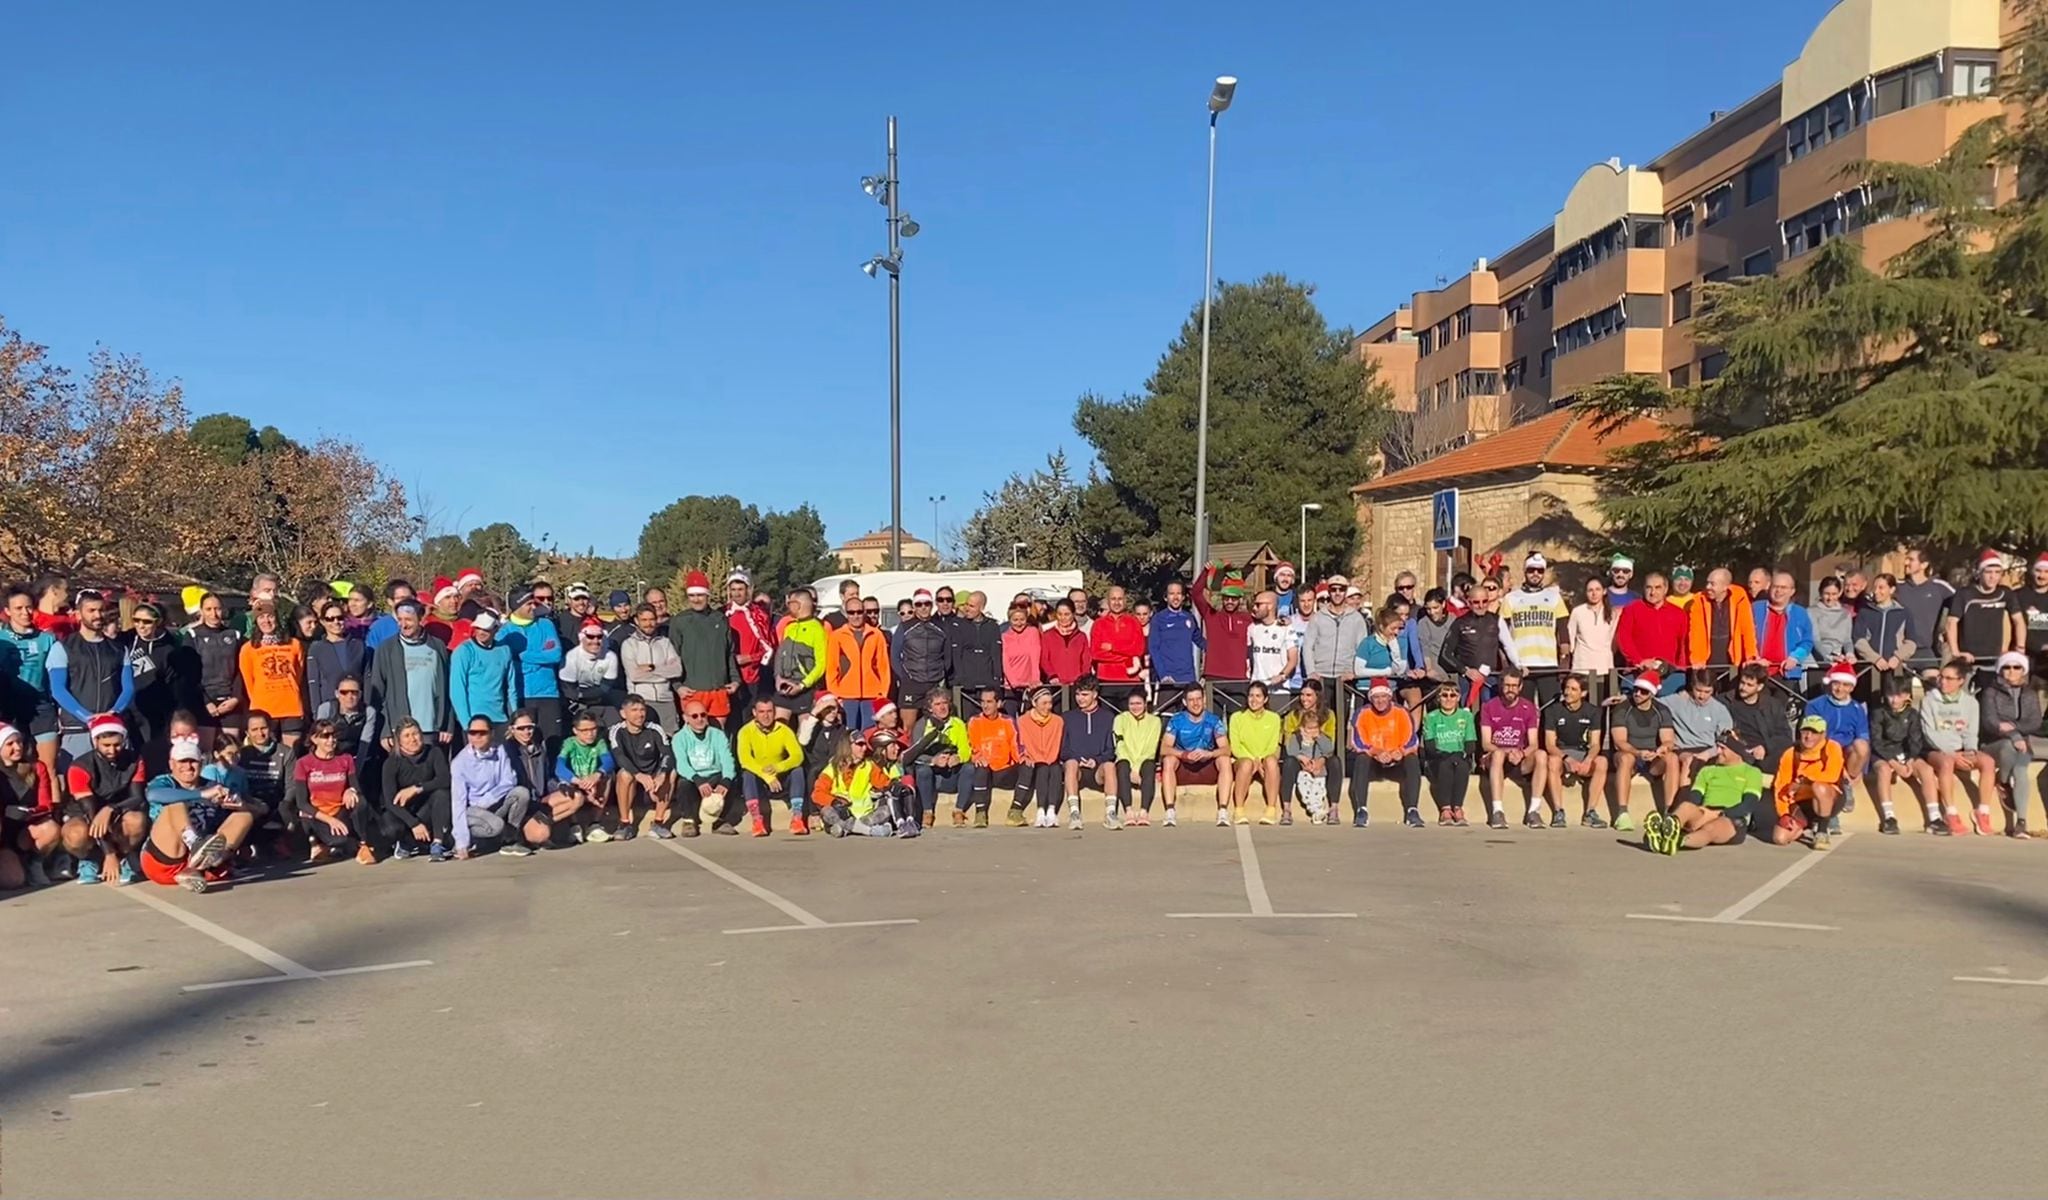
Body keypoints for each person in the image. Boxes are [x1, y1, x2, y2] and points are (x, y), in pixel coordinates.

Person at [139, 736, 257, 892]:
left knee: (244, 815)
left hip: (203, 868)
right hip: (165, 859)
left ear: (201, 763)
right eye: (182, 761)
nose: (188, 766)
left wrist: (239, 804)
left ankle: (207, 862)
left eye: (193, 761)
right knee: (175, 805)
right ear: (171, 764)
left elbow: (260, 807)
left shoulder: (214, 786)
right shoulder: (163, 783)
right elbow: (153, 796)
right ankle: (194, 844)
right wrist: (202, 795)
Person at [55, 715, 148, 884]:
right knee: (76, 834)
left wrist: (111, 808)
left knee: (137, 820)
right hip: (85, 814)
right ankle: (88, 858)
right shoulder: (79, 767)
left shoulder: (135, 760)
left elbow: (137, 797)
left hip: (118, 810)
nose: (112, 750)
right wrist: (108, 853)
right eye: (106, 745)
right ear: (95, 741)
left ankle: (125, 855)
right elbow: (92, 814)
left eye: (117, 745)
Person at [48, 590, 136, 765]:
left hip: (112, 731)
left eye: (101, 610)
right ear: (79, 614)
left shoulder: (119, 649)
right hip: (78, 729)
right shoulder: (62, 648)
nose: (97, 615)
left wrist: (113, 713)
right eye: (91, 610)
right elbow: (58, 690)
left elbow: (129, 688)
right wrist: (86, 716)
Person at [1640, 748, 1769, 855]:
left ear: (1736, 751)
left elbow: (1749, 804)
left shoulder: (1752, 772)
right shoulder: (1707, 770)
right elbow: (1694, 798)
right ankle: (1664, 831)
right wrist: (1701, 813)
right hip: (1706, 811)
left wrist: (1719, 813)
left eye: (1723, 748)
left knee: (1710, 828)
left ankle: (1677, 841)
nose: (1718, 751)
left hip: (1731, 818)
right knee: (1686, 807)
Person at [450, 717, 544, 859]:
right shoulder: (459, 763)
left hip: (495, 802)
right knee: (496, 825)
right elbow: (458, 803)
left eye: (482, 732)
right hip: (473, 810)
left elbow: (509, 780)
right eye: (472, 732)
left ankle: (510, 839)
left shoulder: (500, 750)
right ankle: (471, 839)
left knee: (522, 793)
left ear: (492, 733)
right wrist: (461, 842)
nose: (477, 737)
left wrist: (489, 799)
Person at [120, 601, 198, 771]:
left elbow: (176, 686)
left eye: (146, 621)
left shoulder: (169, 648)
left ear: (159, 621)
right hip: (128, 709)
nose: (141, 625)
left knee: (152, 756)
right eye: (136, 620)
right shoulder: (125, 640)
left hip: (157, 714)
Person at [367, 601, 453, 753]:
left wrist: (447, 724)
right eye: (399, 619)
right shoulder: (386, 649)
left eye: (408, 620)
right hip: (400, 729)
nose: (403, 624)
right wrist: (386, 729)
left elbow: (448, 689)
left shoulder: (437, 647)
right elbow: (378, 692)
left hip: (430, 727)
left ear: (421, 619)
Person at [289, 718, 375, 864]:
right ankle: (318, 843)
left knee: (360, 802)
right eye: (325, 736)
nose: (331, 740)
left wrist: (351, 790)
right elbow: (302, 803)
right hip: (317, 814)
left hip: (340, 810)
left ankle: (362, 845)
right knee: (338, 840)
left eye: (333, 735)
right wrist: (330, 820)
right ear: (314, 739)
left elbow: (356, 787)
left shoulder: (346, 759)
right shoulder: (303, 763)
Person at [0, 587, 62, 790]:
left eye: (29, 607)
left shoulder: (47, 639)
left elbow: (57, 676)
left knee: (48, 766)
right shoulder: (1, 639)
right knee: (11, 766)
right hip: (8, 708)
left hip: (41, 707)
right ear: (7, 611)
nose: (25, 612)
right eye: (18, 608)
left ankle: (53, 815)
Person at [1978, 651, 2042, 837]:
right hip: (1994, 744)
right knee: (2007, 746)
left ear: (2023, 670)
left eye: (2016, 667)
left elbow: (2035, 722)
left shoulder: (2029, 694)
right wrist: (2014, 735)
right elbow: (1990, 722)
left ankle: (2021, 822)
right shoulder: (1990, 693)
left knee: (2021, 770)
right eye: (2007, 667)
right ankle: (2003, 781)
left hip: (2022, 744)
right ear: (2000, 670)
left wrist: (2012, 728)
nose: (2011, 671)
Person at [812, 729, 916, 838]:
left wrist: (895, 785)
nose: (864, 748)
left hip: (865, 816)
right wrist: (834, 801)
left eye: (865, 744)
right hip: (841, 813)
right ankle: (866, 831)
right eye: (860, 745)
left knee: (886, 810)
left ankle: (847, 828)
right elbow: (817, 793)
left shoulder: (869, 765)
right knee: (827, 811)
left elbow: (883, 782)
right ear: (848, 746)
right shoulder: (832, 768)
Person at [498, 586, 565, 749]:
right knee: (526, 745)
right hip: (523, 694)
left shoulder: (546, 625)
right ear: (517, 606)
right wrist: (539, 658)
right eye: (528, 604)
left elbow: (555, 655)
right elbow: (505, 664)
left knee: (553, 743)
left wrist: (521, 656)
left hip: (548, 693)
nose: (534, 607)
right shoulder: (505, 632)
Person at [670, 571, 739, 727]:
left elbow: (729, 653)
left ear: (707, 595)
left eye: (700, 595)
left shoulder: (720, 620)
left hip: (718, 689)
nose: (696, 599)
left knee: (718, 735)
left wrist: (735, 680)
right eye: (692, 595)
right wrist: (677, 686)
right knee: (695, 738)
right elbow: (672, 657)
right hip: (692, 690)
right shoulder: (680, 621)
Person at [1661, 668, 1737, 810]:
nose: (1702, 696)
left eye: (1707, 692)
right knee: (1690, 760)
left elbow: (1725, 740)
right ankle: (1675, 809)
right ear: (1692, 687)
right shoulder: (1678, 700)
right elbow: (1652, 702)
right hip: (1684, 748)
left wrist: (1707, 754)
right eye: (1698, 691)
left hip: (1710, 750)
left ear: (1713, 690)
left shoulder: (1719, 709)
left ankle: (1690, 808)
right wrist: (1624, 699)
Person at [1920, 659, 1980, 836]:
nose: (1942, 681)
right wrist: (1952, 754)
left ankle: (1983, 811)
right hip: (1936, 750)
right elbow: (1929, 732)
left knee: (1988, 763)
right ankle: (1950, 812)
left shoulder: (1970, 703)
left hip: (1960, 749)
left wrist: (1970, 751)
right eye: (1941, 677)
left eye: (1948, 678)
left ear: (1961, 681)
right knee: (1946, 763)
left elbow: (1971, 731)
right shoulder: (1929, 700)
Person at [1349, 679, 1421, 828]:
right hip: (1374, 759)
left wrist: (1400, 752)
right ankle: (1361, 809)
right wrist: (1376, 753)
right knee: (1361, 759)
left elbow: (1412, 740)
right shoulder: (1362, 713)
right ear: (1371, 698)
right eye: (1376, 697)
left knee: (1412, 760)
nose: (1380, 701)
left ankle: (1412, 810)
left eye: (1383, 697)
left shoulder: (1401, 712)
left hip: (1396, 758)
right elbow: (1357, 742)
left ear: (1389, 697)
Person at [1499, 554, 1569, 705]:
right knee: (1523, 709)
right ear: (1525, 571)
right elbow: (1502, 632)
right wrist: (1506, 661)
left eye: (1540, 570)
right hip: (1521, 663)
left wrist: (1564, 659)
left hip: (1548, 663)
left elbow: (1563, 631)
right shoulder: (1511, 598)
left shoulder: (1554, 597)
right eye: (1531, 570)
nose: (1535, 574)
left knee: (1551, 708)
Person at [378, 717, 452, 860]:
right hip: (404, 814)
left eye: (415, 733)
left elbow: (445, 780)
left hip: (428, 809)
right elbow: (389, 801)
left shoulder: (434, 752)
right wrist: (414, 823)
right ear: (399, 741)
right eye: (407, 736)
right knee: (390, 829)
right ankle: (407, 843)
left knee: (442, 794)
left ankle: (437, 843)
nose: (413, 739)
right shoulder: (391, 762)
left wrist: (417, 788)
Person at [1611, 671, 1677, 823]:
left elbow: (1668, 741)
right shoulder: (1622, 709)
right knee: (1626, 758)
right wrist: (1638, 753)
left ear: (1652, 694)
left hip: (1652, 758)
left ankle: (1670, 813)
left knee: (1672, 758)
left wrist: (1662, 749)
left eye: (1644, 691)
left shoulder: (1661, 711)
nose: (1638, 694)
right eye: (1636, 690)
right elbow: (1619, 742)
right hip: (1630, 755)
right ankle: (1622, 813)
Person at [1159, 684, 1229, 828]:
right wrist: (1183, 754)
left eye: (1198, 699)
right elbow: (1164, 748)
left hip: (1206, 764)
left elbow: (1227, 749)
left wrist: (1210, 754)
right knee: (1168, 760)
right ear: (1185, 702)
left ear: (1204, 699)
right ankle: (1170, 810)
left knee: (1225, 760)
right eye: (1191, 700)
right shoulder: (1176, 720)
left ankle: (1223, 810)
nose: (1196, 703)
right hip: (1184, 765)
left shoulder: (1214, 720)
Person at [1866, 681, 1931, 836]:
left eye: (1899, 695)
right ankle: (1889, 817)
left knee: (1926, 770)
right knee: (1884, 770)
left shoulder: (1912, 714)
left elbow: (1915, 740)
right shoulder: (1879, 713)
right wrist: (1894, 763)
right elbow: (1876, 742)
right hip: (1883, 755)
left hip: (1905, 754)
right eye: (1891, 695)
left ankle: (1935, 817)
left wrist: (1910, 760)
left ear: (1907, 696)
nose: (1894, 700)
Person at [236, 604, 306, 747]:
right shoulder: (248, 649)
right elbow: (249, 681)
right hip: (263, 709)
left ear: (277, 619)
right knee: (266, 754)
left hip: (291, 707)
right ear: (256, 622)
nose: (266, 621)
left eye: (270, 616)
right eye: (261, 617)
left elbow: (298, 674)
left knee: (291, 754)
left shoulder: (294, 644)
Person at [1772, 715, 1845, 850]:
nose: (1808, 736)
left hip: (1830, 797)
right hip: (1801, 803)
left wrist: (1804, 780)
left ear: (1823, 734)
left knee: (1819, 787)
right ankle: (1805, 825)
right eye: (1805, 731)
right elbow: (1780, 787)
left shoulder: (1832, 748)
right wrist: (1784, 814)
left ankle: (1822, 831)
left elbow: (1832, 776)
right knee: (1780, 838)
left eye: (1814, 732)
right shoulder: (1790, 754)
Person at [1544, 673, 1607, 827]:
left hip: (1583, 753)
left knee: (1602, 762)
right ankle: (1558, 812)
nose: (1567, 692)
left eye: (1573, 689)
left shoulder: (1593, 712)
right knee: (1552, 761)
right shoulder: (1553, 711)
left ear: (1583, 693)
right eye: (1566, 688)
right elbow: (1550, 745)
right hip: (1562, 754)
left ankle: (1590, 812)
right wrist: (1567, 759)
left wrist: (1588, 759)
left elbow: (1595, 744)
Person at [607, 695, 674, 841]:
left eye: (642, 710)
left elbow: (667, 754)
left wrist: (661, 774)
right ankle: (624, 824)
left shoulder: (655, 729)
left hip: (653, 776)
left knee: (671, 772)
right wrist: (638, 775)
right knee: (624, 774)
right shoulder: (616, 731)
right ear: (624, 714)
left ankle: (658, 823)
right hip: (633, 775)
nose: (640, 714)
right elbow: (619, 757)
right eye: (634, 710)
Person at [1439, 577, 1513, 707]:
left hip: (1491, 677)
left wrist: (1518, 666)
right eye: (1476, 602)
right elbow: (1445, 655)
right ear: (1469, 602)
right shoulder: (1459, 623)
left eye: (1485, 601)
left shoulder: (1496, 620)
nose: (1481, 606)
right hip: (1467, 679)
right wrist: (1465, 670)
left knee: (1489, 714)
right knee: (1467, 715)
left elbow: (1509, 647)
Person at [737, 696, 805, 836]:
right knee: (747, 774)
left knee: (798, 771)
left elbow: (798, 756)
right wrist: (767, 777)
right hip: (760, 779)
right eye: (761, 712)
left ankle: (797, 818)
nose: (766, 716)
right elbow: (745, 760)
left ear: (774, 713)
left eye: (769, 711)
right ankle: (757, 821)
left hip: (780, 779)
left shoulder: (784, 730)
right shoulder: (745, 731)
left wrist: (778, 767)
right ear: (755, 713)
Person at [1056, 678, 1118, 829]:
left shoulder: (1108, 717)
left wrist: (1096, 761)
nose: (1080, 698)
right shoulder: (1067, 718)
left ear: (1095, 694)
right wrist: (1077, 759)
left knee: (1109, 766)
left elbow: (1111, 750)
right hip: (1076, 769)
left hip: (1097, 769)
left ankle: (1111, 814)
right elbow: (1063, 750)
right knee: (1070, 763)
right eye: (1077, 694)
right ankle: (1074, 813)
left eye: (1084, 694)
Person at [904, 688, 969, 830]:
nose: (942, 707)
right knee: (923, 770)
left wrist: (958, 758)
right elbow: (913, 756)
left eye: (945, 703)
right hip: (931, 778)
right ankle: (927, 812)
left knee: (969, 768)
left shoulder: (958, 724)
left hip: (951, 774)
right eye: (937, 704)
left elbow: (966, 750)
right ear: (930, 708)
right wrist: (933, 760)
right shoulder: (921, 725)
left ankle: (959, 810)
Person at [671, 698, 738, 835]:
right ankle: (689, 821)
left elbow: (727, 759)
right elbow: (682, 764)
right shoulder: (679, 738)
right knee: (683, 784)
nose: (699, 719)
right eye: (694, 716)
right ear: (685, 718)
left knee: (731, 780)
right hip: (694, 777)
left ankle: (719, 820)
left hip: (714, 775)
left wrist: (726, 780)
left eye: (703, 715)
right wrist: (697, 780)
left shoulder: (718, 735)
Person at [1614, 572, 1688, 696]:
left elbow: (1683, 644)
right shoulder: (1631, 610)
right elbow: (1624, 639)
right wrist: (1639, 661)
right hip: (1638, 672)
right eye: (1649, 587)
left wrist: (1680, 670)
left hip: (1669, 676)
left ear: (1665, 589)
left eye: (1657, 587)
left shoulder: (1678, 614)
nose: (1653, 592)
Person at [824, 598, 891, 731]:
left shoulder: (876, 635)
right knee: (848, 732)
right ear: (846, 613)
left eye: (859, 612)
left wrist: (882, 694)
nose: (856, 616)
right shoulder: (837, 636)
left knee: (869, 732)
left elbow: (883, 667)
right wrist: (836, 696)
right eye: (851, 612)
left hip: (872, 694)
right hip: (846, 695)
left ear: (864, 612)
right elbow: (832, 668)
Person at [1419, 681, 1478, 827]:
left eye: (1453, 695)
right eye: (1444, 695)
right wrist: (1444, 755)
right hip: (1438, 758)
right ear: (1439, 698)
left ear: (1458, 698)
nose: (1448, 698)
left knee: (1462, 766)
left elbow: (1470, 744)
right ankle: (1445, 809)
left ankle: (1457, 807)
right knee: (1446, 765)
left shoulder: (1466, 717)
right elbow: (1430, 746)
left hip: (1459, 755)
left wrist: (1460, 754)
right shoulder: (1431, 717)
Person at [1222, 681, 1282, 826]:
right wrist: (1252, 760)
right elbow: (1235, 747)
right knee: (1246, 764)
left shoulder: (1274, 718)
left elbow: (1273, 745)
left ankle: (1271, 809)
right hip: (1243, 759)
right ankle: (1239, 809)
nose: (1254, 700)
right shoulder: (1237, 717)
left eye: (1258, 696)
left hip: (1263, 760)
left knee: (1272, 762)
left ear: (1265, 699)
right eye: (1251, 696)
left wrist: (1260, 760)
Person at [1945, 550, 2013, 676]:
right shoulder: (1964, 594)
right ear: (1979, 573)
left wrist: (2012, 649)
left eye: (1997, 572)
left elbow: (2018, 620)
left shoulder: (2005, 593)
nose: (1993, 577)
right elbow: (1951, 623)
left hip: (1994, 659)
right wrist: (1956, 653)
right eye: (1988, 572)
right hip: (1967, 659)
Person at [1279, 681, 1338, 825]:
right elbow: (1289, 743)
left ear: (1317, 696)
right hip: (1300, 756)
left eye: (1309, 695)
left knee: (1335, 762)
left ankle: (1334, 809)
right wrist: (1302, 759)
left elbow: (1330, 744)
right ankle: (1286, 810)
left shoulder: (1329, 715)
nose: (1304, 699)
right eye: (1302, 695)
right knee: (1288, 763)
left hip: (1320, 756)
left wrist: (1320, 761)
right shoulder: (1293, 715)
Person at [723, 570, 776, 728]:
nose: (737, 594)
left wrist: (750, 658)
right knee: (730, 722)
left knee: (750, 721)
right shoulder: (721, 614)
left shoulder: (759, 615)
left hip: (752, 677)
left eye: (740, 589)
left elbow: (769, 647)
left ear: (748, 590)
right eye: (733, 590)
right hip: (728, 677)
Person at [891, 589, 949, 733]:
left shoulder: (940, 627)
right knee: (908, 728)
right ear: (914, 606)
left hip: (933, 682)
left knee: (936, 725)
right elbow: (894, 656)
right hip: (911, 683)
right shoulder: (905, 627)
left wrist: (941, 674)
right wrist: (905, 677)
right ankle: (908, 754)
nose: (923, 607)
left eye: (927, 604)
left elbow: (948, 656)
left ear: (932, 605)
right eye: (919, 604)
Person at [960, 687, 1020, 828]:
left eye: (989, 702)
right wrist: (976, 758)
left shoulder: (1008, 721)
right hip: (984, 771)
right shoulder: (974, 721)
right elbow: (970, 746)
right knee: (981, 767)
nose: (985, 706)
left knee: (1026, 765)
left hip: (1004, 770)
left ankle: (1016, 811)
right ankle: (980, 813)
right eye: (982, 702)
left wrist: (1022, 760)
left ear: (999, 704)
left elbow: (1016, 747)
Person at [448, 611, 516, 733]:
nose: (481, 632)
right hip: (475, 721)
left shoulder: (505, 651)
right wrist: (466, 724)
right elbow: (457, 690)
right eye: (478, 628)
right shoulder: (464, 651)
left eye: (486, 629)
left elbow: (511, 688)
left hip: (500, 719)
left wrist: (514, 719)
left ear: (496, 629)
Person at [619, 603, 684, 732]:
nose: (649, 624)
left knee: (669, 739)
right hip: (642, 701)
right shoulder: (629, 645)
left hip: (666, 700)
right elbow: (634, 675)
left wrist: (652, 669)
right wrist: (665, 673)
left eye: (652, 619)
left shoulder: (665, 643)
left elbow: (677, 670)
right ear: (637, 621)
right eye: (644, 620)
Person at [1853, 573, 1921, 694]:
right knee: (1873, 702)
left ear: (1892, 589)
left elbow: (1911, 642)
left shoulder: (1904, 613)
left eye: (1881, 587)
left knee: (1893, 698)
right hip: (1870, 667)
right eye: (1874, 587)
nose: (1876, 591)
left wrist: (1897, 657)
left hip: (1895, 667)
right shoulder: (1865, 611)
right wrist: (1875, 659)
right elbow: (1859, 639)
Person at [1194, 564, 1254, 696]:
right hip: (1213, 676)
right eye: (1226, 598)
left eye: (1234, 599)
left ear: (1240, 599)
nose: (1230, 602)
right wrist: (1206, 571)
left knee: (1237, 717)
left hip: (1239, 678)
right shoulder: (1212, 615)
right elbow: (1196, 593)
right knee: (1214, 717)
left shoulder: (1248, 619)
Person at [1686, 569, 1758, 678]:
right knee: (1706, 692)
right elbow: (1696, 633)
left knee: (1730, 692)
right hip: (1706, 662)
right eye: (1707, 583)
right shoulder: (1699, 600)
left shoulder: (1740, 597)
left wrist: (1751, 656)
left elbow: (1748, 629)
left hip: (1733, 662)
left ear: (1725, 587)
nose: (1708, 587)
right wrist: (1697, 659)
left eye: (1712, 584)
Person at [1011, 686, 1066, 828]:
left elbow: (1057, 743)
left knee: (1054, 769)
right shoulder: (1023, 721)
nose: (1048, 707)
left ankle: (1051, 811)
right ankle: (1041, 811)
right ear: (1034, 703)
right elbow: (1022, 743)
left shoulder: (1057, 721)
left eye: (1050, 703)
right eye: (1044, 703)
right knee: (1042, 769)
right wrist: (1033, 757)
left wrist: (1049, 758)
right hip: (1033, 760)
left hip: (1051, 759)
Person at [771, 589, 830, 720]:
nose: (788, 605)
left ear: (799, 605)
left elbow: (821, 664)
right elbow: (780, 655)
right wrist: (778, 677)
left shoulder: (817, 629)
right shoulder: (789, 627)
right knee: (779, 727)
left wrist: (802, 685)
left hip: (805, 689)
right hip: (784, 685)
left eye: (791, 602)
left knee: (804, 732)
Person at [1723, 663, 1792, 773]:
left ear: (1760, 687)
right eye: (1742, 683)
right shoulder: (1726, 702)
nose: (1743, 688)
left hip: (1764, 755)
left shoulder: (1772, 705)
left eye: (1749, 685)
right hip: (1736, 750)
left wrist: (1765, 747)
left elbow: (1785, 736)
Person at [306, 599, 366, 720]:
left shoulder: (358, 646)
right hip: (329, 710)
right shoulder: (316, 648)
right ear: (322, 622)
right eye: (330, 619)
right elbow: (314, 684)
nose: (336, 622)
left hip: (357, 709)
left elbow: (367, 678)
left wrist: (368, 706)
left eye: (340, 618)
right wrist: (316, 713)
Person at [1563, 578, 1620, 705]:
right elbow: (1570, 638)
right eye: (1590, 590)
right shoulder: (1578, 612)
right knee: (1580, 707)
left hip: (1605, 668)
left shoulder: (1612, 613)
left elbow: (1612, 640)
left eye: (1597, 589)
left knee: (1603, 708)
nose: (1594, 593)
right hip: (1582, 668)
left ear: (1604, 591)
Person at [559, 619, 624, 729]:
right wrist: (585, 696)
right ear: (581, 638)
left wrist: (582, 694)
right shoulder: (571, 657)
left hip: (601, 699)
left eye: (599, 637)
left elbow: (605, 688)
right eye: (590, 637)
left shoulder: (610, 656)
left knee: (616, 722)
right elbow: (569, 691)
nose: (595, 641)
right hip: (576, 703)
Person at [1753, 572, 1815, 684]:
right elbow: (1745, 637)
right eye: (1775, 587)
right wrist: (1755, 657)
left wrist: (1795, 658)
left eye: (1783, 587)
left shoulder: (1800, 613)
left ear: (1792, 591)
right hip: (1757, 671)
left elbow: (1807, 642)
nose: (1778, 591)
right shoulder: (1755, 609)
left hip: (1787, 672)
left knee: (1779, 701)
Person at [1113, 688, 1163, 827]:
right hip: (1126, 758)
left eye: (1138, 703)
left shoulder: (1155, 721)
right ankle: (1128, 810)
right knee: (1122, 765)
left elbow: (1151, 747)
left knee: (1149, 766)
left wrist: (1136, 768)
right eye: (1132, 704)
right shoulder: (1120, 719)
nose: (1135, 707)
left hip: (1144, 759)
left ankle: (1144, 811)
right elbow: (1120, 744)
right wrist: (1131, 768)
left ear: (1145, 704)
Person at [1089, 587, 1147, 705]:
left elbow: (1138, 649)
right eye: (1113, 599)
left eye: (1120, 599)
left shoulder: (1133, 622)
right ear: (1108, 601)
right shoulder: (1099, 624)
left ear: (1125, 600)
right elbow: (1096, 654)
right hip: (1105, 680)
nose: (1117, 602)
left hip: (1130, 680)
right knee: (1107, 720)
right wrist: (1126, 656)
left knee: (1129, 721)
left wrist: (1113, 648)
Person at [1247, 591, 1299, 708]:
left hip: (1279, 690)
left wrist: (1282, 676)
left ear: (1270, 606)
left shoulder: (1286, 628)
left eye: (1258, 605)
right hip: (1257, 689)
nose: (1255, 608)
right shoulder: (1252, 628)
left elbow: (1293, 659)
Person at [1148, 580, 1204, 689]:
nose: (1175, 597)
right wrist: (1163, 674)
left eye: (1178, 593)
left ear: (1183, 597)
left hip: (1188, 678)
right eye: (1172, 594)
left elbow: (1201, 642)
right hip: (1168, 679)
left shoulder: (1189, 617)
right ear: (1166, 597)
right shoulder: (1158, 619)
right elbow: (1153, 648)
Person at [2009, 553, 2048, 680]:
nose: (2042, 576)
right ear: (2032, 572)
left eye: (2046, 572)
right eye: (2038, 571)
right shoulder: (2018, 595)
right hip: (2023, 656)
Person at [1040, 600, 1091, 690]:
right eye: (1060, 614)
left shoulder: (1081, 636)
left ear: (1073, 614)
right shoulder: (1048, 635)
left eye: (1067, 614)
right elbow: (1044, 659)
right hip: (1055, 684)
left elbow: (1086, 661)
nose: (1063, 618)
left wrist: (1082, 678)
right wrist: (1052, 676)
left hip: (1076, 685)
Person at [1000, 601, 1043, 710]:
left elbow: (1035, 656)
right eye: (1015, 620)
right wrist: (1014, 682)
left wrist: (1035, 679)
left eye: (1022, 620)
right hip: (1010, 686)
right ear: (1009, 620)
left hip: (1030, 685)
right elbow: (1005, 662)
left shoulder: (1033, 632)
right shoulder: (1004, 637)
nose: (1019, 623)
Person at [1810, 576, 1855, 667]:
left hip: (1839, 660)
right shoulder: (1812, 612)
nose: (1830, 598)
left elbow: (1847, 640)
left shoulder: (1845, 614)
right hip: (1817, 661)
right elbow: (1815, 640)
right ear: (1820, 593)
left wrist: (1850, 654)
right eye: (1827, 594)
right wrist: (1829, 656)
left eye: (1834, 594)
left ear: (1839, 593)